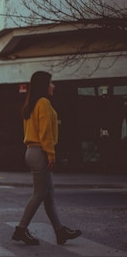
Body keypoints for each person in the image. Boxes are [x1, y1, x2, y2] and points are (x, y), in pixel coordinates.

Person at [12, 71, 82, 245]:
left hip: (32, 151)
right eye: (51, 83)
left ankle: (59, 231)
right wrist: (51, 153)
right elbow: (45, 132)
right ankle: (21, 229)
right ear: (43, 85)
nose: (53, 86)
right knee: (39, 194)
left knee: (49, 194)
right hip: (40, 152)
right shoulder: (43, 103)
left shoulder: (31, 104)